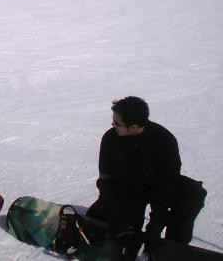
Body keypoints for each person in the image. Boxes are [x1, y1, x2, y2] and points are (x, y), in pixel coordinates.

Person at [86, 96, 206, 258]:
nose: (113, 126)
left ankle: (173, 245)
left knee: (193, 193)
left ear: (134, 127)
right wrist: (118, 215)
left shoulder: (164, 140)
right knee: (97, 221)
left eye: (117, 123)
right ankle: (128, 230)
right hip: (128, 188)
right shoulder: (110, 138)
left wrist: (155, 227)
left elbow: (166, 186)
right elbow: (105, 181)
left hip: (157, 186)